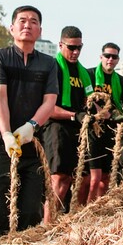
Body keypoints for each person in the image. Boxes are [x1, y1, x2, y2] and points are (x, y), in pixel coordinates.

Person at [0, 6, 56, 244]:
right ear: (11, 28)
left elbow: (50, 101)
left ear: (40, 30)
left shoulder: (48, 63)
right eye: (22, 21)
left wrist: (32, 125)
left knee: (30, 214)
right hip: (0, 147)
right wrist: (6, 134)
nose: (27, 25)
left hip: (33, 148)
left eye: (33, 21)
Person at [43, 26, 90, 219]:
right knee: (60, 178)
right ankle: (47, 226)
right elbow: (47, 107)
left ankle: (71, 222)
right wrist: (73, 115)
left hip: (79, 129)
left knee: (83, 179)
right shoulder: (53, 69)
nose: (76, 52)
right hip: (57, 127)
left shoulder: (84, 73)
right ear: (61, 45)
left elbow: (89, 101)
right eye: (71, 47)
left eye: (79, 47)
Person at [86, 42, 123, 201]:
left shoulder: (121, 81)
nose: (110, 59)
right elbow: (85, 97)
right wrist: (101, 113)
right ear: (101, 57)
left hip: (111, 132)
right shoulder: (90, 74)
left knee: (107, 179)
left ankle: (100, 210)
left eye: (114, 56)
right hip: (91, 131)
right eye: (107, 55)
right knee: (94, 179)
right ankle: (86, 212)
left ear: (117, 59)